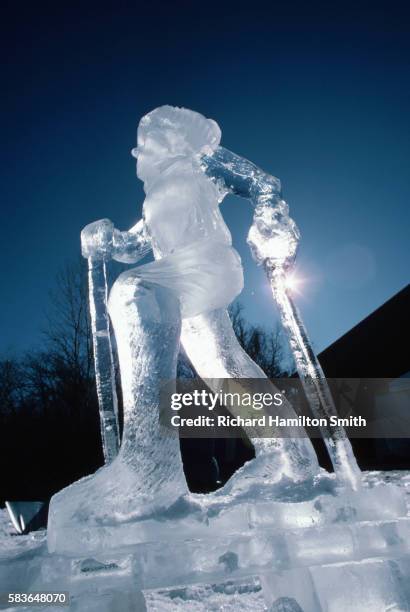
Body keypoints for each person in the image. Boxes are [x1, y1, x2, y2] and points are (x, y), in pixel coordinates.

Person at [48, 107, 318, 536]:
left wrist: (270, 219)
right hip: (181, 279)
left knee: (135, 293)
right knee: (220, 361)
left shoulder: (201, 162)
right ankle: (290, 457)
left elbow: (262, 184)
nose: (136, 155)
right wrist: (108, 239)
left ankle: (148, 470)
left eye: (143, 145)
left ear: (167, 142)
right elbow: (136, 244)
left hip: (207, 265)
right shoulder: (153, 198)